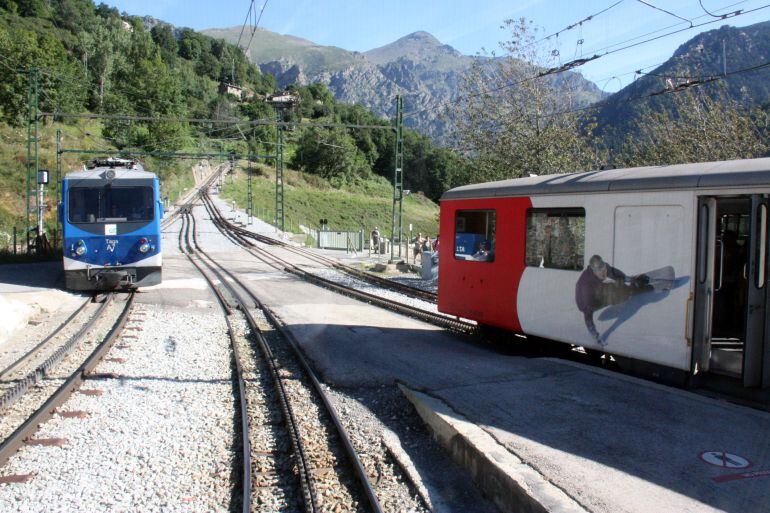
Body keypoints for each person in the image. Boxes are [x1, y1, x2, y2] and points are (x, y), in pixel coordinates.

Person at [574, 255, 652, 346]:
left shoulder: (602, 269)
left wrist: (630, 279)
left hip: (596, 289)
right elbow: (588, 317)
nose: (604, 273)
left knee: (614, 284)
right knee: (614, 294)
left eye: (604, 269)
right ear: (594, 271)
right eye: (600, 271)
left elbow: (613, 273)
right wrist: (596, 337)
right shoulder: (587, 290)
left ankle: (631, 287)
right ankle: (631, 291)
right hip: (591, 303)